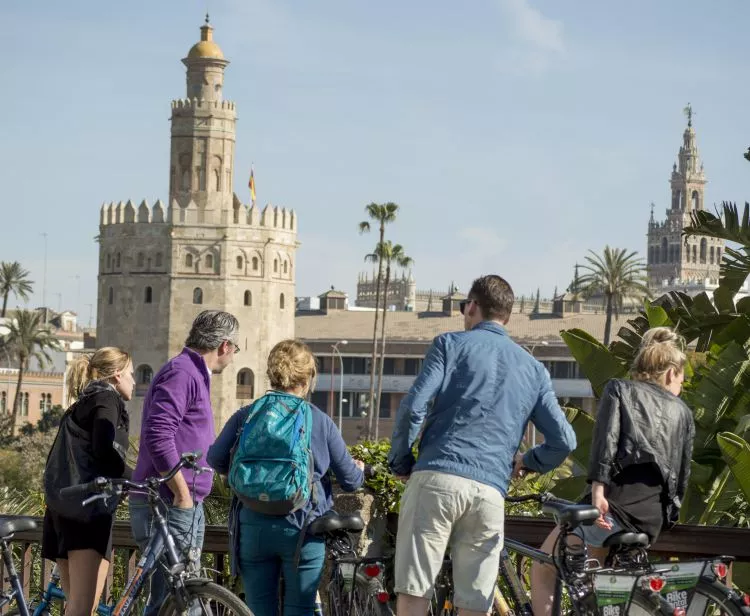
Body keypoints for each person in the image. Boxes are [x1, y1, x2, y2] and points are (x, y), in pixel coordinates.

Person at [388, 274, 577, 616]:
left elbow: (413, 408)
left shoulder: (449, 344)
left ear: (473, 306)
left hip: (437, 477)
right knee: (475, 604)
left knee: (415, 591)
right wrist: (530, 461)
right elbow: (565, 440)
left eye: (464, 306)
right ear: (507, 315)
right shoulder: (534, 370)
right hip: (490, 490)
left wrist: (401, 461)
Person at [531, 327, 695, 616]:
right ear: (671, 373)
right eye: (682, 378)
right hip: (651, 518)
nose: (680, 385)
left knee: (544, 566)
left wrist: (597, 493)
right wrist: (665, 519)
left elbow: (605, 442)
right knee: (601, 584)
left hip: (613, 508)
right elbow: (681, 477)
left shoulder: (619, 389)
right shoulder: (682, 411)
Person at [207, 339, 365, 616]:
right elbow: (351, 481)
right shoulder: (318, 420)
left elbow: (215, 459)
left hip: (252, 525)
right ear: (308, 378)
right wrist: (359, 468)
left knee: (257, 610)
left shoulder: (247, 415)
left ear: (272, 374)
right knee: (299, 609)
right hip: (303, 527)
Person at [130, 310, 239, 616]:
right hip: (170, 503)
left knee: (168, 601)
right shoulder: (183, 373)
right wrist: (182, 494)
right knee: (184, 598)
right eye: (234, 351)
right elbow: (158, 433)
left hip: (174, 502)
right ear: (225, 346)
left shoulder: (190, 372)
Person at [42, 347, 134, 616]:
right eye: (130, 373)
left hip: (62, 510)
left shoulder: (82, 403)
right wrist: (134, 477)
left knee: (76, 606)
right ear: (117, 375)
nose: (134, 381)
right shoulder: (106, 399)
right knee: (83, 608)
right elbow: (103, 448)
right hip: (87, 513)